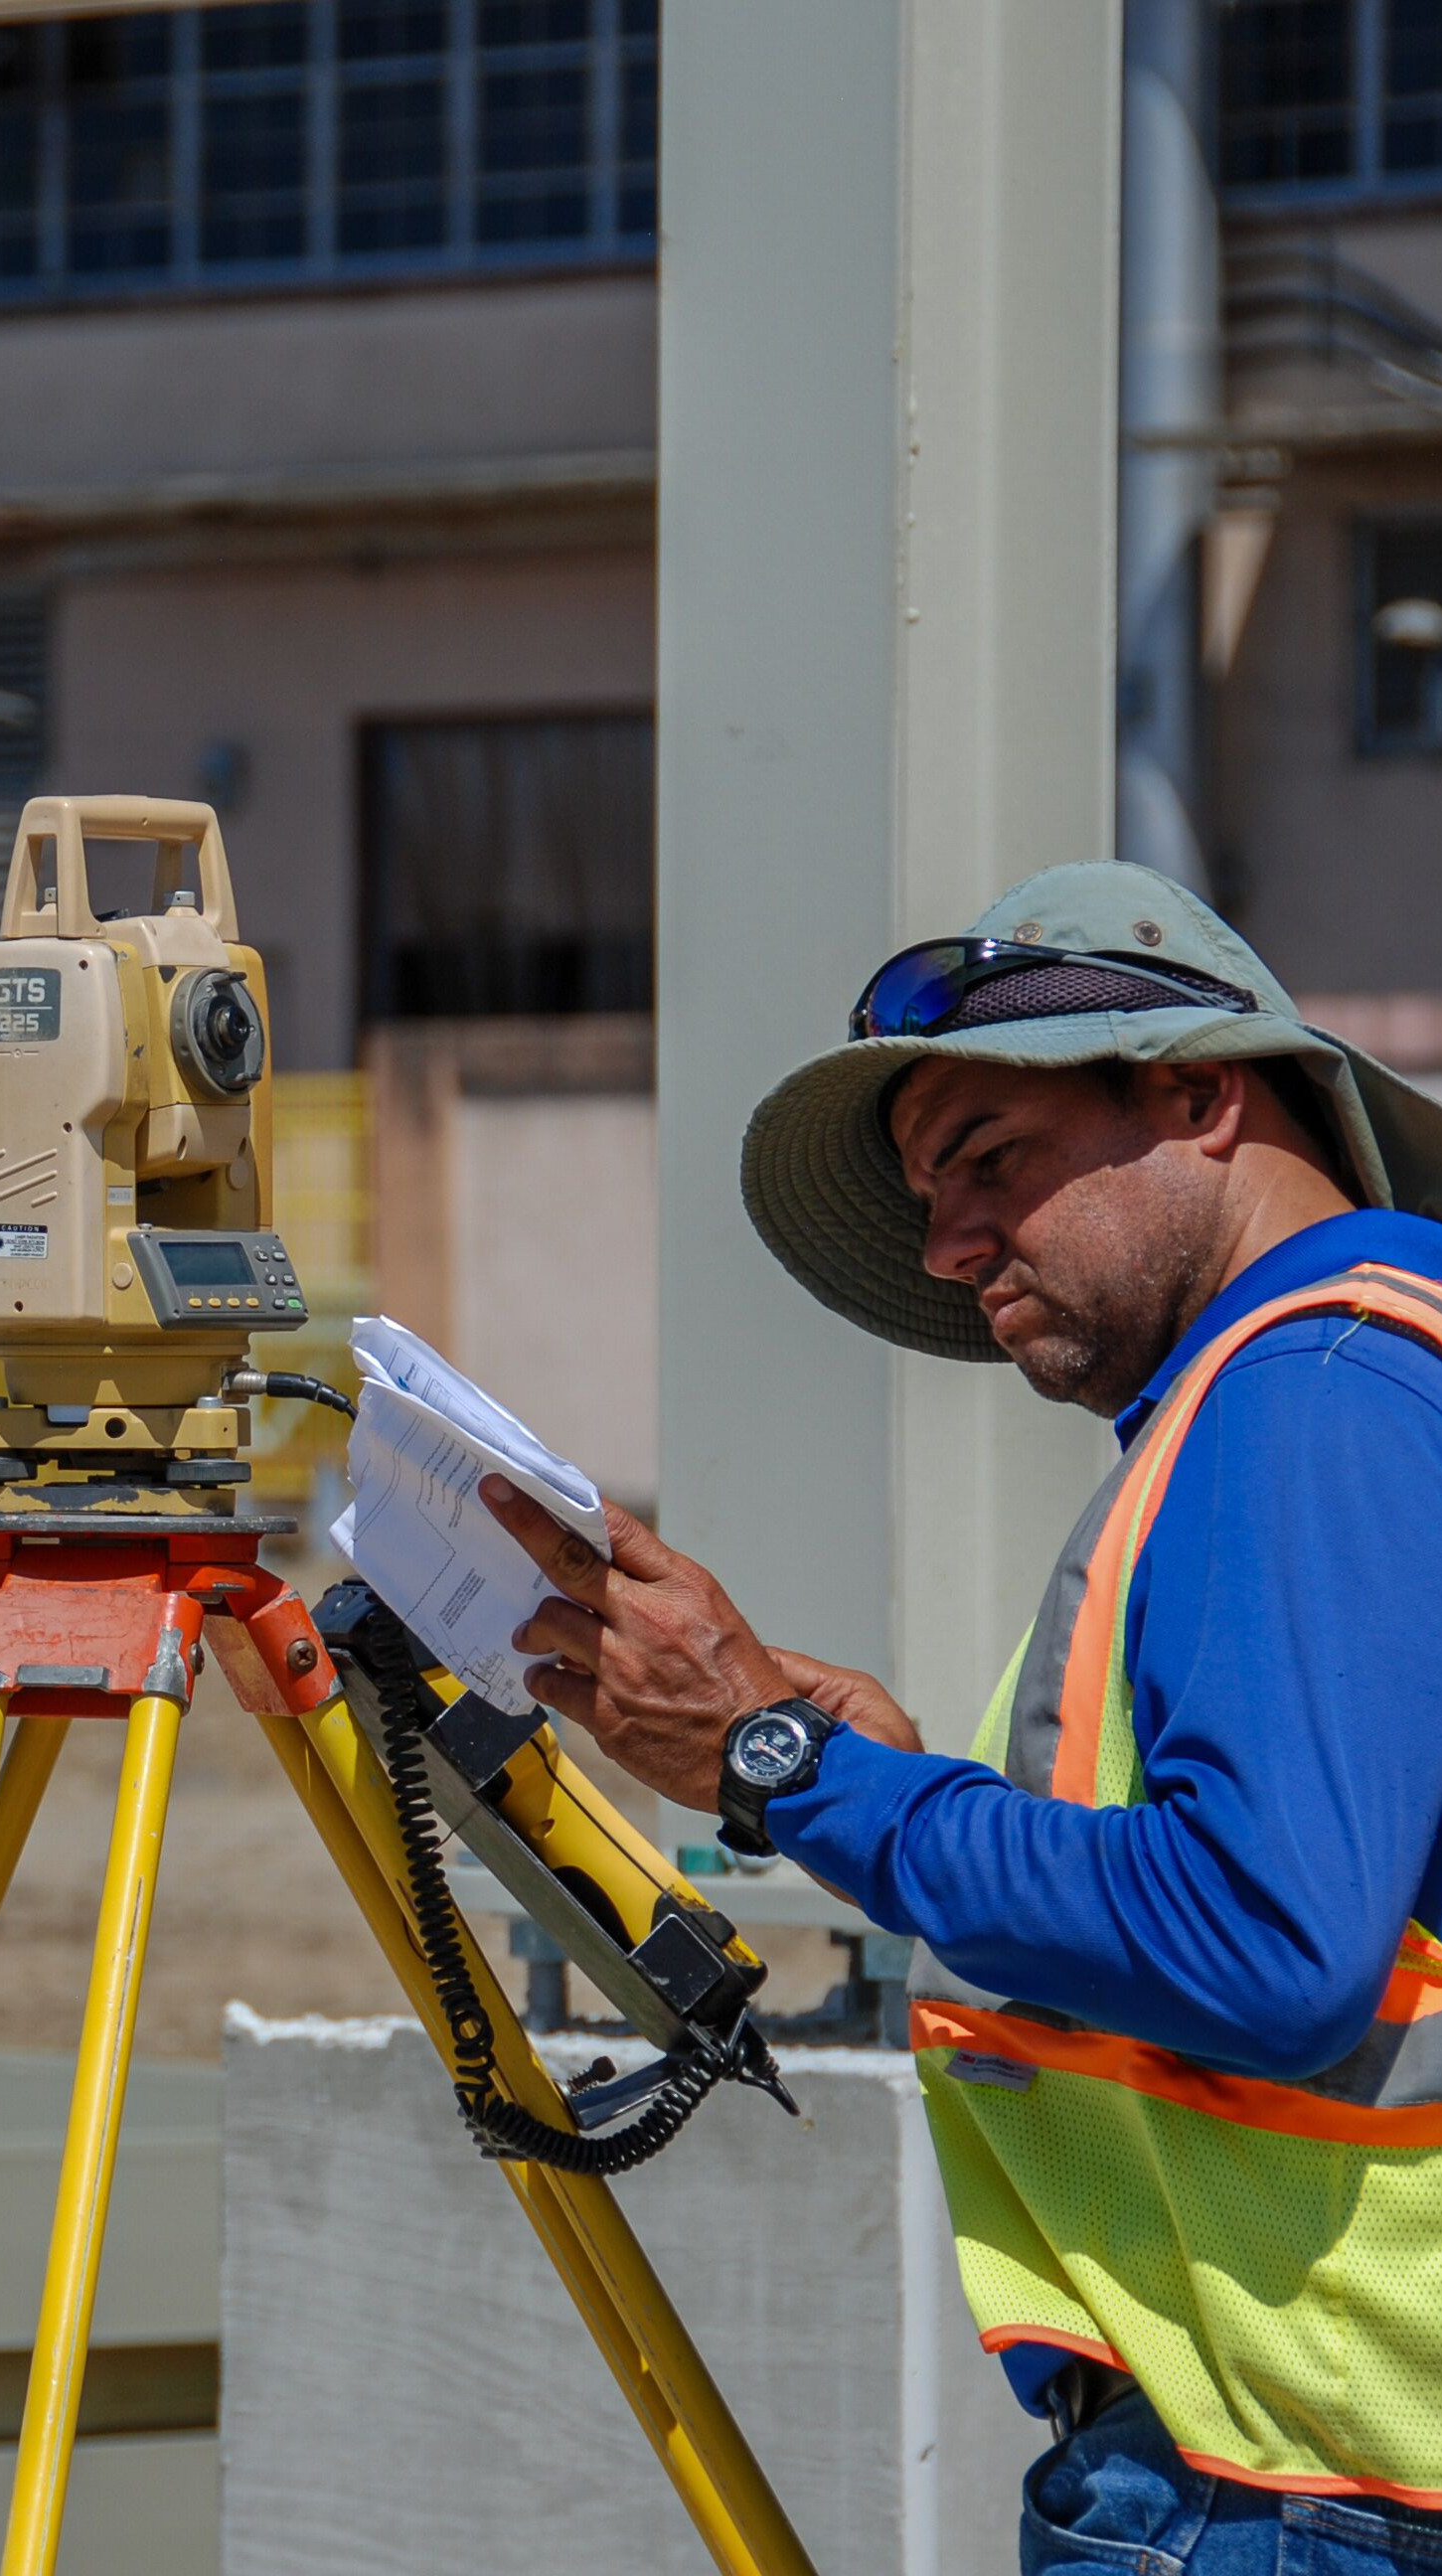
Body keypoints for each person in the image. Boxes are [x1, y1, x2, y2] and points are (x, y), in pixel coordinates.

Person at [480, 862, 1442, 2575]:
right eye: (932, 1194)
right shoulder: (1357, 1374)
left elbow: (1267, 1947)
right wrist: (882, 1779)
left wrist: (789, 1769)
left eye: (990, 1159)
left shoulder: (1302, 1387)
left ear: (1199, 1094)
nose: (944, 1246)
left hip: (1295, 2488)